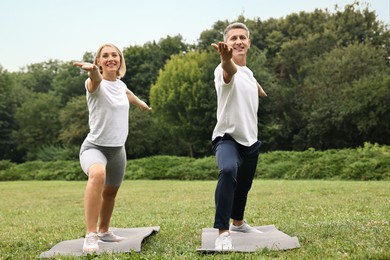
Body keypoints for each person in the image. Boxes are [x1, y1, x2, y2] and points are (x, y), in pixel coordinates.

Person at [73, 43, 151, 253]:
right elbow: (95, 81)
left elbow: (128, 94)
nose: (111, 58)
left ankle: (104, 230)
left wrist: (141, 104)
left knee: (111, 193)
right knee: (97, 174)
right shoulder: (94, 84)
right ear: (98, 62)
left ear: (120, 60)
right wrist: (93, 73)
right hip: (94, 147)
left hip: (117, 150)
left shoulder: (120, 85)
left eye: (114, 55)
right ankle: (91, 235)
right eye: (105, 56)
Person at [210, 22, 267, 250]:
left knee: (243, 186)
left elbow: (247, 78)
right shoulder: (223, 69)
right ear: (227, 43)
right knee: (228, 170)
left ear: (249, 43)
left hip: (250, 139)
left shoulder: (249, 74)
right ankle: (223, 232)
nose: (238, 41)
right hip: (227, 138)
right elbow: (230, 70)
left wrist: (259, 89)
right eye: (233, 38)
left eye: (242, 37)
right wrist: (225, 59)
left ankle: (238, 222)